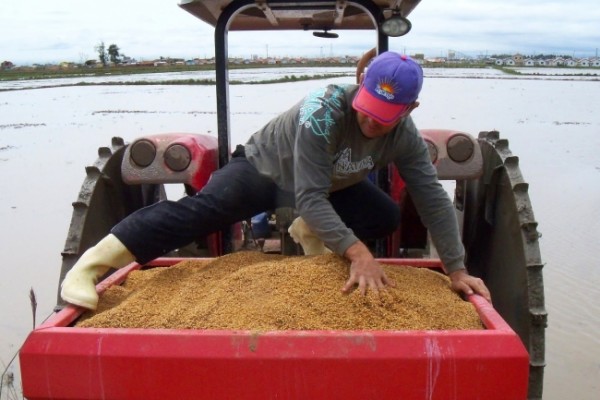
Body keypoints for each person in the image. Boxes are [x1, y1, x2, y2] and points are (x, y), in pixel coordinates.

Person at [61, 51, 491, 310]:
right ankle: (91, 266)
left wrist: (456, 268)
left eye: (385, 117)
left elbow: (432, 196)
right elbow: (308, 192)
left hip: (330, 185)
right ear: (361, 85)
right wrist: (358, 254)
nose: (371, 122)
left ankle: (308, 229)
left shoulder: (405, 136)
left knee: (383, 214)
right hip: (266, 170)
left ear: (409, 109)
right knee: (203, 211)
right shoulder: (323, 111)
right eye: (367, 108)